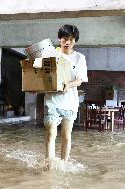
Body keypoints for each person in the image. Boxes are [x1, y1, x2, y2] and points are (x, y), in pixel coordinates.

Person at [44, 24, 88, 165]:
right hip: (52, 101)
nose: (68, 42)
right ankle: (50, 164)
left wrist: (68, 85)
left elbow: (80, 80)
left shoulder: (79, 58)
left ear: (75, 41)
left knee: (66, 136)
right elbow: (41, 77)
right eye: (64, 39)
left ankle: (64, 163)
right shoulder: (51, 55)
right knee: (51, 133)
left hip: (70, 103)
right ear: (59, 39)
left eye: (71, 39)